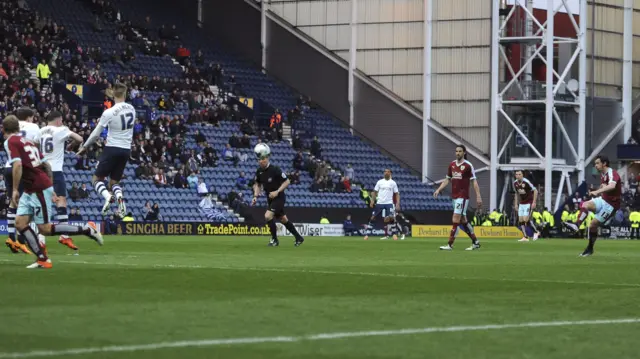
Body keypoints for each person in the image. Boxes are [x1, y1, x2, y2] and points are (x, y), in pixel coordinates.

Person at [3, 116, 103, 269]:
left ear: (4, 129)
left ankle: (87, 229)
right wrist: (51, 188)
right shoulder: (28, 141)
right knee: (20, 223)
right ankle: (42, 258)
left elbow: (17, 165)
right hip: (35, 187)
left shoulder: (11, 141)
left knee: (45, 228)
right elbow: (46, 166)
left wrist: (15, 189)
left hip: (37, 187)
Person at [77, 83, 135, 217]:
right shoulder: (132, 109)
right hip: (126, 150)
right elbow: (120, 101)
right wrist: (114, 94)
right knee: (114, 182)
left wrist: (85, 146)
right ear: (125, 94)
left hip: (112, 148)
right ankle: (120, 199)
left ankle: (108, 197)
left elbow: (96, 133)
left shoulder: (108, 112)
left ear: (113, 94)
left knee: (96, 179)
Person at [38, 111, 84, 251]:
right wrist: (72, 144)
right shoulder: (61, 129)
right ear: (58, 121)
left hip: (41, 170)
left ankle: (40, 240)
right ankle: (64, 235)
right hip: (55, 171)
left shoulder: (40, 131)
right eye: (62, 120)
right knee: (61, 201)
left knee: (42, 204)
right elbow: (80, 139)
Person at [564, 155, 621, 256]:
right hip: (604, 200)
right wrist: (598, 190)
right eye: (595, 164)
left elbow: (612, 186)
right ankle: (577, 225)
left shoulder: (612, 172)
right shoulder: (603, 174)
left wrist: (597, 191)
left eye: (597, 163)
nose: (595, 166)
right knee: (585, 204)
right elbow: (605, 187)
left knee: (592, 225)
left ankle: (590, 248)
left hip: (611, 205)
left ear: (604, 164)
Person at [4, 108, 41, 255]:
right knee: (27, 204)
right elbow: (35, 147)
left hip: (8, 167)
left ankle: (11, 237)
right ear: (29, 117)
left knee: (13, 202)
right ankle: (21, 240)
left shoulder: (10, 127)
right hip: (23, 169)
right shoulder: (33, 127)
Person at [251, 145, 304, 247]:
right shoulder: (259, 172)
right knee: (283, 219)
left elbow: (287, 181)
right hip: (270, 199)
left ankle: (274, 240)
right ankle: (299, 238)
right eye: (259, 160)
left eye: (263, 159)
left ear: (267, 159)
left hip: (279, 198)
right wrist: (255, 196)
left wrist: (277, 191)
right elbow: (257, 184)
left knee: (268, 216)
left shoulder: (275, 169)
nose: (261, 161)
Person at [434, 144, 482, 251]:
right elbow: (447, 179)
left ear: (464, 153)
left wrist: (478, 196)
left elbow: (474, 181)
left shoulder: (468, 165)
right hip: (454, 196)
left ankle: (450, 244)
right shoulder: (452, 165)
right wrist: (438, 189)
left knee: (455, 218)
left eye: (460, 151)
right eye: (456, 151)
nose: (458, 153)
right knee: (463, 220)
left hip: (463, 196)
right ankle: (475, 242)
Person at [363, 169, 400, 241]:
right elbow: (374, 192)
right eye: (385, 171)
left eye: (387, 171)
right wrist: (372, 201)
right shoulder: (380, 182)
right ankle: (367, 235)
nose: (385, 173)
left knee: (391, 218)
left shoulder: (393, 183)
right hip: (380, 203)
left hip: (389, 203)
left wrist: (397, 203)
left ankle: (394, 234)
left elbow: (397, 193)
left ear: (390, 173)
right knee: (373, 217)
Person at [513, 170, 538, 242]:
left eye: (519, 174)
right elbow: (516, 194)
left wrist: (534, 202)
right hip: (521, 203)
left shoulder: (526, 182)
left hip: (528, 202)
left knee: (526, 219)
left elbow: (535, 190)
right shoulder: (515, 183)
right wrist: (515, 204)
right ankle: (525, 236)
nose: (517, 176)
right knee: (521, 220)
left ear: (522, 175)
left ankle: (536, 232)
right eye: (516, 174)